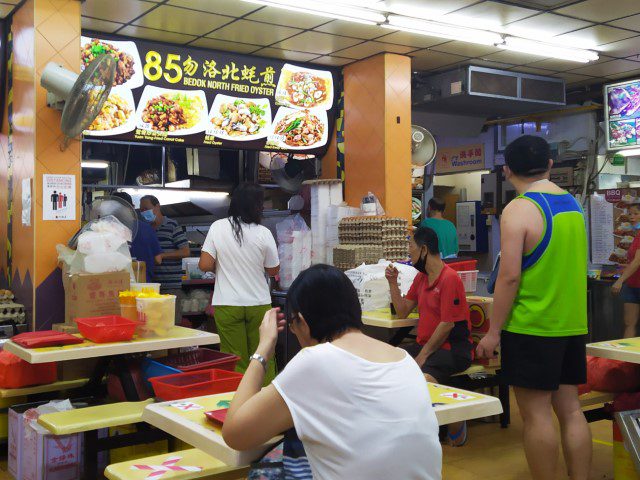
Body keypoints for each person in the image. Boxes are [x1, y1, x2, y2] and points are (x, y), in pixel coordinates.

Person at [222, 264, 442, 480]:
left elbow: (235, 434)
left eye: (292, 324)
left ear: (302, 322)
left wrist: (264, 347)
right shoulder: (404, 360)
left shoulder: (315, 361)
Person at [476, 135, 590, 480]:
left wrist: (493, 331)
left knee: (537, 415)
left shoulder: (520, 209)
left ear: (507, 169)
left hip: (531, 327)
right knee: (570, 410)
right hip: (571, 324)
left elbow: (509, 277)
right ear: (551, 165)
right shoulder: (573, 204)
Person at [386, 226, 473, 446]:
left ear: (424, 250)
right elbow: (403, 310)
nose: (409, 253)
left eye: (411, 248)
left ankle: (455, 422)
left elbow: (446, 325)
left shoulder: (449, 278)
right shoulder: (422, 278)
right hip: (427, 346)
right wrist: (392, 283)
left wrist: (422, 357)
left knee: (421, 380)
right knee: (389, 360)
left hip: (452, 350)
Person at [199, 183, 280, 384]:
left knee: (234, 358)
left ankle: (237, 403)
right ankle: (266, 403)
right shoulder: (263, 233)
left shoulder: (217, 227)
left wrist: (225, 265)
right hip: (258, 304)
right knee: (263, 354)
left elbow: (204, 264)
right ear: (256, 206)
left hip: (227, 304)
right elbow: (273, 270)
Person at [139, 195, 190, 322]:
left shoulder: (172, 225)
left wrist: (162, 255)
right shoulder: (145, 229)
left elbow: (185, 251)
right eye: (141, 210)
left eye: (146, 208)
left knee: (171, 323)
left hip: (170, 286)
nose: (144, 212)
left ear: (157, 206)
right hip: (150, 287)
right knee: (153, 325)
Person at [111, 191, 162, 282]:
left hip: (118, 283)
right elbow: (158, 260)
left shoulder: (108, 229)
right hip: (144, 283)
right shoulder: (147, 228)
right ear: (132, 207)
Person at [612, 203, 640, 338]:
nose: (632, 217)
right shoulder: (636, 234)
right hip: (632, 285)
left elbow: (637, 262)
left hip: (633, 283)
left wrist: (620, 281)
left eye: (636, 213)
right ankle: (625, 358)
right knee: (629, 323)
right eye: (630, 214)